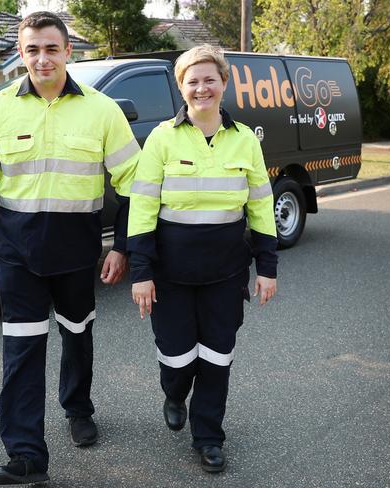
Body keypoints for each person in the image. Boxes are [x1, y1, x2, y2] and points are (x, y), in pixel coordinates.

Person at [0, 11, 139, 486]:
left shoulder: (102, 110)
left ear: (68, 52)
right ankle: (26, 454)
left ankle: (78, 409)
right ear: (21, 53)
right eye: (32, 49)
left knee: (78, 336)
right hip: (16, 256)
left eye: (51, 48)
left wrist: (120, 247)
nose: (42, 58)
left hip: (78, 257)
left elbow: (135, 186)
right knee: (21, 353)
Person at [127, 44, 277, 473]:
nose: (202, 88)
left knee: (216, 357)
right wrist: (141, 272)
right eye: (192, 81)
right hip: (170, 276)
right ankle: (174, 394)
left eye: (210, 79)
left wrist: (266, 268)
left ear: (224, 84)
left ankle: (208, 436)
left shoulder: (245, 139)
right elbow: (142, 208)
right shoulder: (162, 138)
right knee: (177, 358)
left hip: (225, 275)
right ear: (181, 88)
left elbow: (260, 207)